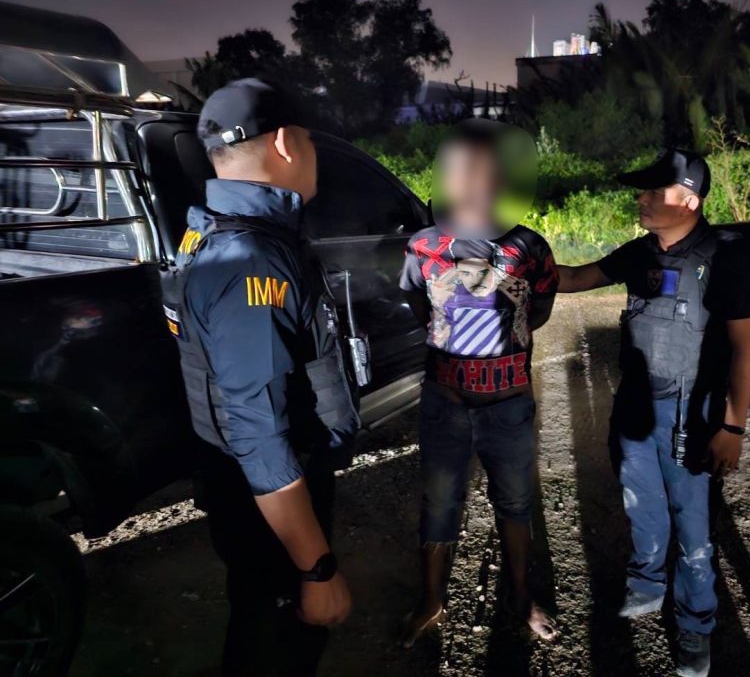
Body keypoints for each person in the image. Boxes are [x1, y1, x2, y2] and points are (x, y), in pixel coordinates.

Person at [162, 78, 359, 676]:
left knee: (254, 622)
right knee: (277, 647)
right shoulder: (251, 260)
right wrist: (316, 568)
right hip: (270, 497)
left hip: (245, 489)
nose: (314, 152)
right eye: (309, 139)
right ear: (284, 143)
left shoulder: (211, 230)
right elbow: (258, 430)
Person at [557, 149, 750, 677]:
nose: (642, 199)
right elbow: (574, 279)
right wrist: (514, 257)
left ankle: (695, 625)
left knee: (692, 526)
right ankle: (647, 584)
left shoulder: (726, 260)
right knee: (641, 504)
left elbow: (745, 350)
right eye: (642, 190)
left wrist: (733, 425)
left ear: (689, 200)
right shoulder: (640, 253)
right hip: (635, 408)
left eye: (654, 191)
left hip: (692, 414)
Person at [399, 119, 560, 646]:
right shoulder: (422, 246)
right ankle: (431, 600)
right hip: (444, 404)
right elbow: (417, 303)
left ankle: (520, 596)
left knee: (515, 503)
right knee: (439, 504)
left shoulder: (530, 248)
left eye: (487, 173)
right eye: (462, 172)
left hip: (508, 407)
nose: (473, 185)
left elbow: (538, 311)